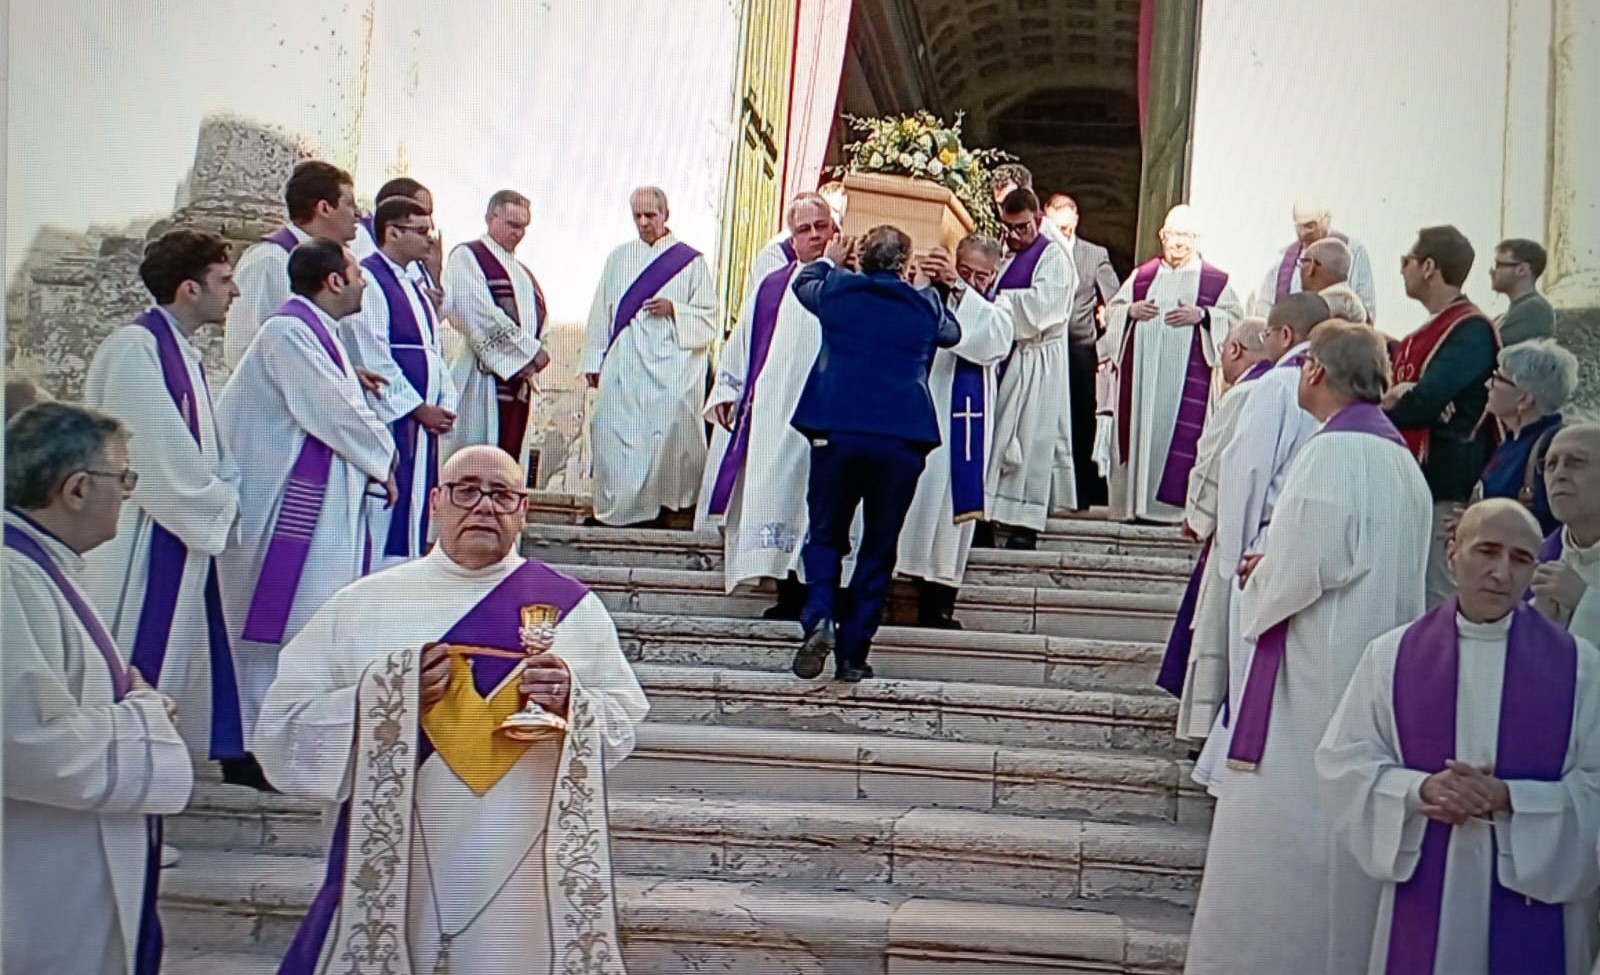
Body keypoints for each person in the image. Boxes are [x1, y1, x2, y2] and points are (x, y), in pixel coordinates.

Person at [256, 445, 648, 975]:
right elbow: (281, 729)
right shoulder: (365, 603)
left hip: (524, 874)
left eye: (502, 494)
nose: (483, 506)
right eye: (466, 490)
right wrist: (382, 697)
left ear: (523, 511)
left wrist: (573, 698)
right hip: (403, 862)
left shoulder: (574, 609)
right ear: (436, 502)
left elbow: (622, 725)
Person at [1184, 321, 1433, 975]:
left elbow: (1298, 572)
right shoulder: (1401, 460)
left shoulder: (1329, 454)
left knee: (1285, 839)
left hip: (1314, 678)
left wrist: (1257, 573)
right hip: (1368, 677)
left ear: (1317, 371)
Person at [1318, 499, 1600, 975]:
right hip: (1423, 877)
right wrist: (1420, 789)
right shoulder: (1391, 655)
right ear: (1453, 552)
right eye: (1487, 551)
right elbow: (1344, 762)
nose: (1501, 572)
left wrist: (1511, 797)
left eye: (1520, 559)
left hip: (1532, 894)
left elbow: (1594, 781)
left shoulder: (1581, 666)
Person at [4, 402, 192, 975]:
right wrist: (146, 715)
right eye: (124, 478)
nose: (128, 493)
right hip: (38, 879)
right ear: (78, 489)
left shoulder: (40, 568)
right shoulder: (11, 578)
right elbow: (24, 745)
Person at [80, 230, 252, 790]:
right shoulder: (136, 349)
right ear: (187, 288)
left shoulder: (180, 350)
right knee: (135, 662)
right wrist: (216, 501)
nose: (236, 292)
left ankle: (146, 808)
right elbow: (150, 452)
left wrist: (222, 488)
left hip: (176, 530)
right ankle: (125, 807)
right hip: (145, 536)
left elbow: (205, 447)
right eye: (224, 280)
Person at [215, 238, 396, 740]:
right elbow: (336, 410)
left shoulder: (315, 331)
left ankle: (281, 731)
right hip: (285, 507)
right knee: (280, 622)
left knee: (306, 619)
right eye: (356, 272)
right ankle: (256, 737)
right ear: (333, 281)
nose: (363, 281)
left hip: (309, 498)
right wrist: (386, 460)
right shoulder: (289, 332)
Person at [787, 225, 960, 682]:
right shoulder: (923, 305)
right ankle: (852, 654)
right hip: (900, 439)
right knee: (879, 548)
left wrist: (830, 258)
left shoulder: (838, 291)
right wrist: (931, 284)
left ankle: (820, 615)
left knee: (825, 534)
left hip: (837, 430)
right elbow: (952, 332)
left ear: (859, 259)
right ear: (905, 265)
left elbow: (803, 284)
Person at [1189, 292, 1332, 787]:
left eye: (1268, 333)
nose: (1266, 342)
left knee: (1248, 665)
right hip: (1301, 545)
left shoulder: (1275, 386)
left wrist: (1233, 552)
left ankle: (1231, 776)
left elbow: (1246, 470)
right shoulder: (1333, 389)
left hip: (1261, 545)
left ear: (1285, 335)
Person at [695, 193, 832, 617]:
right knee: (780, 498)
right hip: (775, 414)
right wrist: (727, 391)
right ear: (791, 237)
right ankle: (786, 589)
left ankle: (819, 593)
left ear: (833, 228)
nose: (813, 236)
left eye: (820, 226)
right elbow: (743, 342)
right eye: (803, 229)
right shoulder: (773, 286)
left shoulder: (846, 280)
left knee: (820, 502)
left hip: (829, 411)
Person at [1158, 317, 1271, 739]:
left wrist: (1197, 516)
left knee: (1216, 629)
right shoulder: (1286, 387)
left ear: (1236, 350)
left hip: (1238, 528)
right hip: (1267, 528)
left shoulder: (1245, 392)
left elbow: (1216, 458)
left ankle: (1205, 731)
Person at [581, 186, 717, 528]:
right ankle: (619, 508)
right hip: (625, 361)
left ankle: (664, 508)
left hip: (672, 364)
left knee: (668, 431)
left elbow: (709, 317)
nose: (643, 223)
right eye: (637, 216)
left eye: (650, 216)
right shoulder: (619, 258)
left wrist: (675, 309)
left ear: (665, 214)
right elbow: (601, 311)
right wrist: (593, 361)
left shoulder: (691, 262)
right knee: (610, 426)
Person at [1103, 204, 1245, 524]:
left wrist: (1205, 315)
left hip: (1186, 385)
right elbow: (1113, 311)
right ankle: (1137, 505)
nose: (1178, 242)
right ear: (1161, 235)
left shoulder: (1215, 282)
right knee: (1143, 434)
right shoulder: (1142, 276)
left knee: (1183, 439)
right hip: (1142, 386)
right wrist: (1129, 312)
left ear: (1196, 239)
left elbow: (1237, 323)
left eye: (1186, 236)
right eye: (1173, 235)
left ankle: (1177, 511)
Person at [898, 234, 1013, 628]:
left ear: (993, 274)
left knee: (948, 511)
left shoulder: (998, 306)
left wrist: (961, 288)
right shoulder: (925, 293)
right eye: (965, 271)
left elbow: (990, 341)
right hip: (916, 414)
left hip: (961, 427)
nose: (973, 280)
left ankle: (938, 603)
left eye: (981, 276)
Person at [1385, 225, 1500, 609]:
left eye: (1407, 260)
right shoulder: (1431, 330)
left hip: (1445, 487)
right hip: (1415, 482)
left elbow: (1426, 400)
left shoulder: (1470, 330)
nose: (1402, 269)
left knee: (1439, 598)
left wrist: (1395, 401)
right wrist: (1401, 395)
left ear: (1429, 266)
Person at [342, 196, 458, 567]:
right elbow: (372, 354)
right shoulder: (370, 280)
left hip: (421, 422)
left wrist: (445, 398)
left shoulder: (412, 283)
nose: (430, 240)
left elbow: (432, 350)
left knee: (416, 505)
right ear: (392, 232)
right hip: (394, 418)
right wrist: (418, 407)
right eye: (421, 231)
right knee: (388, 507)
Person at [985, 188, 1077, 548]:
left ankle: (1026, 523)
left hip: (1037, 359)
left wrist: (996, 301)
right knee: (999, 439)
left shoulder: (1054, 257)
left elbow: (1044, 306)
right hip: (1009, 357)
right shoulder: (1008, 257)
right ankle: (992, 517)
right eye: (1009, 228)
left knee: (1032, 439)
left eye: (1022, 227)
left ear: (1038, 219)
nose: (1015, 235)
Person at [441, 189, 551, 466]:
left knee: (506, 466)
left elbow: (542, 324)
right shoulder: (467, 256)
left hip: (517, 386)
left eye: (523, 227)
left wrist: (534, 359)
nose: (518, 234)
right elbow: (477, 311)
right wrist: (526, 356)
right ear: (491, 217)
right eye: (512, 225)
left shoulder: (524, 274)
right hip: (482, 377)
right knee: (475, 461)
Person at [222, 160, 360, 367]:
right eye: (349, 204)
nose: (358, 213)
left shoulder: (337, 262)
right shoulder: (270, 260)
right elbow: (244, 348)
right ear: (324, 208)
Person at [1044, 191, 1121, 510]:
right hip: (1046, 347)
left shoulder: (1094, 254)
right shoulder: (1041, 253)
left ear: (1075, 221)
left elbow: (1115, 300)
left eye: (1067, 228)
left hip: (1078, 350)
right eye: (1056, 228)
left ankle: (1083, 492)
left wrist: (1104, 339)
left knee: (1080, 420)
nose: (1063, 235)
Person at [1471, 338, 1579, 536]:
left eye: (1498, 378)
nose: (1488, 384)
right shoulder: (1514, 440)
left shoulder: (1555, 448)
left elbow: (1556, 524)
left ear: (1525, 398)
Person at [1533, 424, 1600, 646]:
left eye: (1575, 463)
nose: (1558, 475)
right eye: (1550, 465)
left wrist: (1586, 602)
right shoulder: (1537, 557)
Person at [1252, 203, 1377, 321]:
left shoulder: (1354, 251)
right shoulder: (1282, 261)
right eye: (1299, 227)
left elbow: (1366, 308)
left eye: (1309, 226)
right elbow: (1264, 308)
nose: (1303, 233)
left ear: (1327, 221)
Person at [746, 180, 847, 286]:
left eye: (840, 214)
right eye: (833, 211)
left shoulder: (838, 249)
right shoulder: (775, 255)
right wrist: (828, 263)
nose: (815, 235)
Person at [352, 176, 437, 272]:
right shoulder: (359, 235)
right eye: (419, 212)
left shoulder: (413, 259)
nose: (432, 225)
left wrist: (433, 271)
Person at [1489, 237, 1557, 347]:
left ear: (1522, 269)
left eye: (1498, 265)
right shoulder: (1514, 311)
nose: (1491, 271)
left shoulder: (1534, 310)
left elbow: (1488, 347)